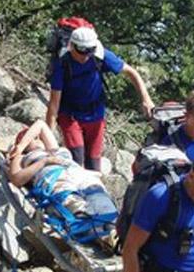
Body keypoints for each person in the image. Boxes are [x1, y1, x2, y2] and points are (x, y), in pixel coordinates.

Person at [45, 26, 155, 171]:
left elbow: (131, 72)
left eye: (89, 52)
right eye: (81, 52)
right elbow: (54, 106)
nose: (85, 57)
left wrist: (146, 99)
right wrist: (48, 138)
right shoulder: (62, 64)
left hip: (95, 115)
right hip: (70, 116)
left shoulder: (100, 56)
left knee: (93, 165)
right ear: (72, 46)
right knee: (76, 160)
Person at [9, 119, 118, 246]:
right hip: (55, 177)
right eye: (32, 137)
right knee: (78, 207)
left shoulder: (53, 149)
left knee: (101, 199)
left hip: (79, 174)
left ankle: (114, 232)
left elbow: (40, 124)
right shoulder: (21, 158)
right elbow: (16, 179)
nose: (37, 138)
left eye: (35, 136)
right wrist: (43, 161)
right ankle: (101, 236)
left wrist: (22, 144)